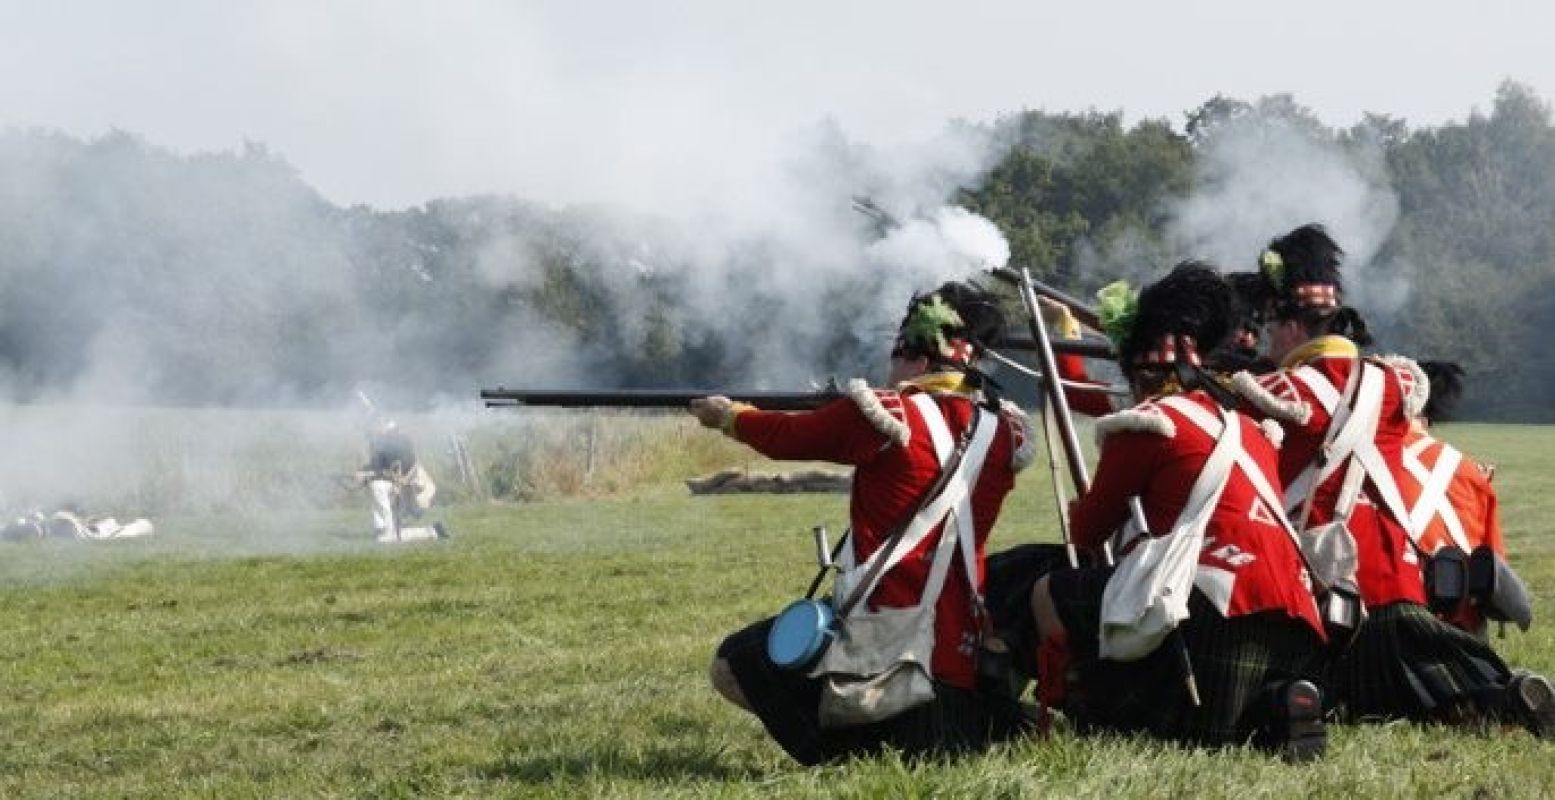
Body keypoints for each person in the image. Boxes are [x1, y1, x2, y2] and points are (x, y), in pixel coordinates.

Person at [689, 281, 1037, 765]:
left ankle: (845, 751)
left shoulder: (887, 414)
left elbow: (790, 436)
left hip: (886, 637)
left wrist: (731, 416)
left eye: (897, 355)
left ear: (915, 355)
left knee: (736, 662)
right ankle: (992, 726)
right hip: (961, 646)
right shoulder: (1004, 431)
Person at [1228, 223, 1553, 735]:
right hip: (1404, 591)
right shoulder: (1395, 384)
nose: (1268, 340)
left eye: (1270, 328)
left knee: (1299, 680)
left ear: (1288, 326)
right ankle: (1495, 697)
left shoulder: (1268, 392)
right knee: (1440, 681)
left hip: (1324, 601)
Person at [1024, 262, 1328, 760]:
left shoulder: (1149, 422)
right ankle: (1276, 709)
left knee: (1049, 592)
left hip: (1212, 617)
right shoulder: (1249, 428)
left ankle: (1082, 705)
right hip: (1297, 634)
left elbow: (1086, 532)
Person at [1399, 361, 1510, 636]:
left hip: (1382, 622)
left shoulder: (1352, 466)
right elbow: (1494, 570)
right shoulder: (1468, 469)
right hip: (1458, 625)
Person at [358, 418, 449, 544]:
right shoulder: (396, 441)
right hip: (400, 486)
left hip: (402, 487)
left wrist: (367, 473)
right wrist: (365, 472)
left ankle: (430, 531)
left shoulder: (393, 443)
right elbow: (380, 465)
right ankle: (383, 528)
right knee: (375, 486)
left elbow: (387, 469)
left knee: (377, 486)